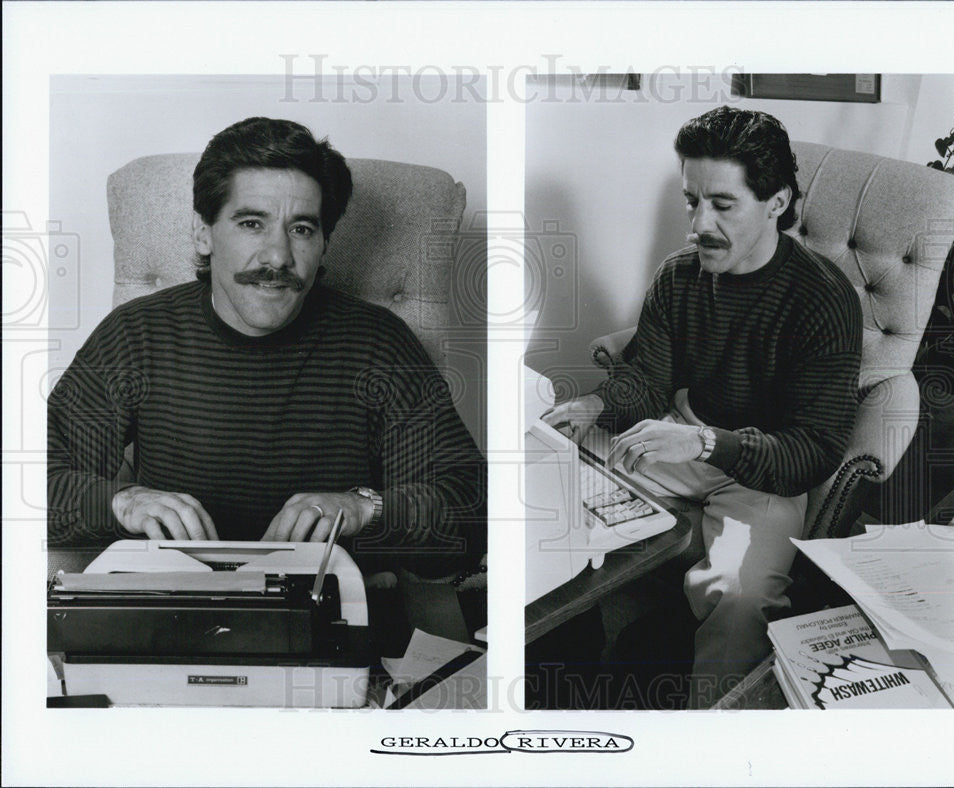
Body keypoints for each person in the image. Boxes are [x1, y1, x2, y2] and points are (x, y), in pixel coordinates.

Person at [48, 117, 486, 582]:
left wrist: (365, 508)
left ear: (323, 244)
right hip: (176, 601)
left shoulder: (379, 343)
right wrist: (122, 502)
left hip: (328, 605)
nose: (278, 256)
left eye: (301, 229)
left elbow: (472, 513)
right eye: (252, 223)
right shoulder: (137, 334)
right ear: (203, 233)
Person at [543, 106, 863, 708]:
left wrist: (709, 443)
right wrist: (591, 405)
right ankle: (566, 676)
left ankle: (710, 737)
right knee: (554, 476)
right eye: (691, 201)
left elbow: (814, 450)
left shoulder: (823, 300)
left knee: (737, 594)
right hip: (678, 439)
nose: (697, 224)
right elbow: (646, 379)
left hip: (763, 470)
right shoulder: (678, 276)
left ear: (776, 202)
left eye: (721, 204)